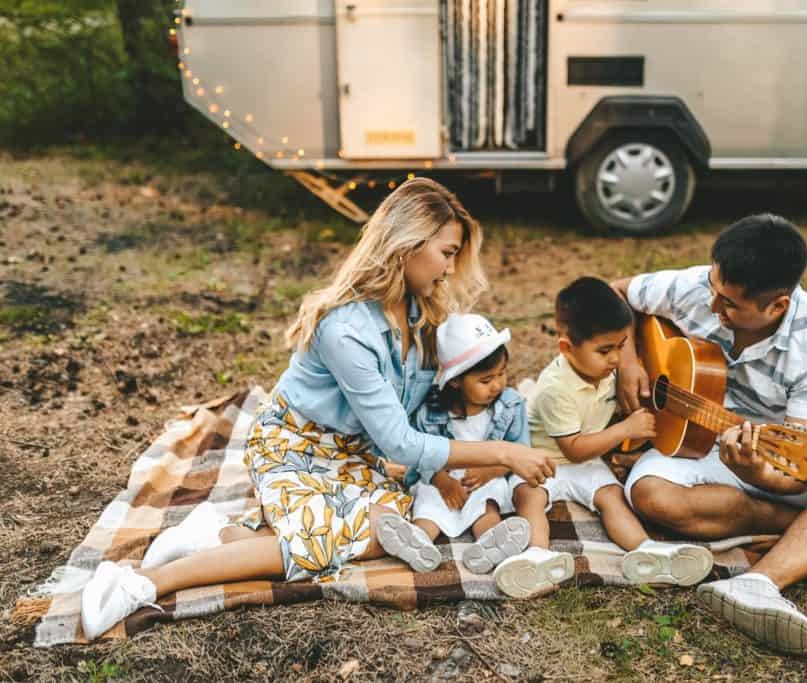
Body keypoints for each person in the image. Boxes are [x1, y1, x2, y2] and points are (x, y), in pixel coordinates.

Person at [79, 178, 556, 640]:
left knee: (385, 534)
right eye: (446, 253)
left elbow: (411, 419)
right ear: (407, 244)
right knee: (319, 542)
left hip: (350, 453)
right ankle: (143, 583)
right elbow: (398, 441)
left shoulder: (421, 315)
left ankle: (218, 536)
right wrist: (505, 453)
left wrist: (464, 460)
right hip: (293, 445)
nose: (450, 269)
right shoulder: (346, 328)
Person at [611, 214, 807, 655]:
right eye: (714, 290)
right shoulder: (701, 285)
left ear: (778, 306)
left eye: (729, 304)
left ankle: (758, 585)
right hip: (685, 442)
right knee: (652, 496)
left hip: (765, 450)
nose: (713, 306)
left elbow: (798, 472)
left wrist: (757, 474)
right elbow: (613, 292)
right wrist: (631, 363)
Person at [493, 277, 714, 599]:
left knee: (612, 496)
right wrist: (625, 430)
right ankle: (536, 555)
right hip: (543, 461)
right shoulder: (556, 389)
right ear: (567, 348)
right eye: (605, 350)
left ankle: (645, 551)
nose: (615, 359)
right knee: (530, 497)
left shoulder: (606, 373)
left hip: (587, 462)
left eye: (621, 347)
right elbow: (574, 449)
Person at [378, 313, 531, 575]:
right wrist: (441, 480)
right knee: (428, 503)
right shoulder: (432, 411)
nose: (497, 385)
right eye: (486, 380)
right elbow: (420, 452)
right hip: (441, 477)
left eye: (502, 373)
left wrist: (491, 471)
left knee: (487, 502)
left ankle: (490, 543)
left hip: (482, 478)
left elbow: (520, 450)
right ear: (457, 380)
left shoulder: (510, 405)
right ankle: (418, 542)